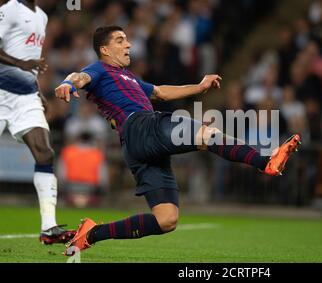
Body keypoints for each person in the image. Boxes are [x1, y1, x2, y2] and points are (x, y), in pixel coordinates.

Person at [54, 26, 301, 255]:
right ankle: (265, 161)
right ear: (104, 50)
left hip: (137, 147)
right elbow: (80, 77)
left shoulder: (128, 77)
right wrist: (67, 82)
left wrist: (199, 87)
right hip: (141, 126)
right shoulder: (99, 69)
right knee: (207, 135)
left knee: (166, 219)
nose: (128, 45)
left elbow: (160, 91)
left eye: (127, 39)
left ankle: (92, 233)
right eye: (120, 40)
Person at [0, 0, 75, 244]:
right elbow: (23, 60)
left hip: (26, 97)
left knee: (45, 153)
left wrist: (39, 94)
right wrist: (20, 64)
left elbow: (30, 60)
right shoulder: (9, 9)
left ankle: (48, 227)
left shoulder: (41, 16)